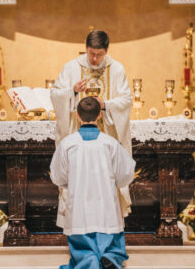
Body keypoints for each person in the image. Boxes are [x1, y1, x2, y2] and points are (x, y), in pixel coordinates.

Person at [51, 30, 133, 226]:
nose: (95, 59)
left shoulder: (117, 69)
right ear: (86, 49)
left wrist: (105, 105)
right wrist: (72, 90)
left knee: (107, 182)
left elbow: (126, 99)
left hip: (107, 139)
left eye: (99, 54)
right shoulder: (72, 67)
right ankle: (76, 226)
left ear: (106, 51)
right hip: (77, 140)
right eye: (91, 53)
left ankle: (109, 225)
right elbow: (55, 94)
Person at [50, 97, 136, 269]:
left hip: (79, 207)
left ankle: (89, 260)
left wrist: (73, 183)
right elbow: (125, 176)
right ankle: (110, 256)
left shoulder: (67, 144)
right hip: (106, 207)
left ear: (77, 116)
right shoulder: (110, 144)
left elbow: (58, 177)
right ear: (99, 116)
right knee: (111, 234)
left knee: (82, 242)